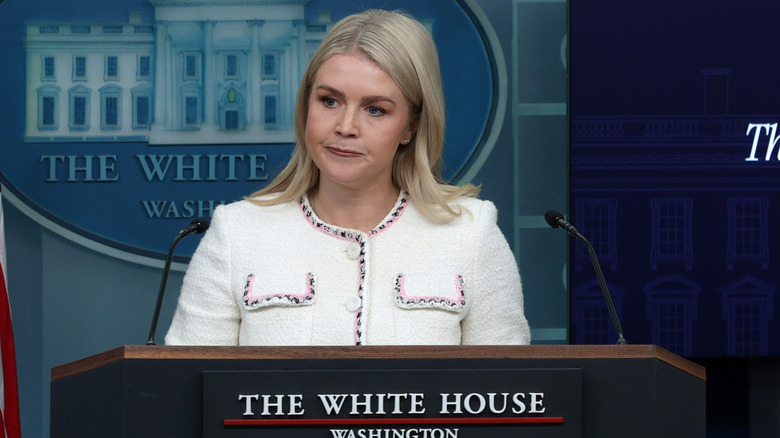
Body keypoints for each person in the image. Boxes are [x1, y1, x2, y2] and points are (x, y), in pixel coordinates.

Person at [165, 9, 530, 346]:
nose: (345, 127)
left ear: (411, 126)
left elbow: (508, 395)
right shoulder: (236, 233)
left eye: (375, 109)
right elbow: (186, 395)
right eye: (329, 101)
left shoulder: (471, 232)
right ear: (306, 104)